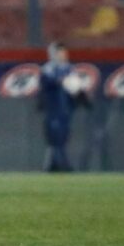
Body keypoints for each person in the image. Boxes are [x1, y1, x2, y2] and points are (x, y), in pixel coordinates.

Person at [38, 42, 91, 172]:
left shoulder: (69, 69)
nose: (63, 55)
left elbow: (75, 89)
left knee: (63, 136)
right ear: (54, 54)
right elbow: (46, 84)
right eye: (60, 52)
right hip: (54, 108)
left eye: (64, 52)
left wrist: (82, 97)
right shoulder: (48, 69)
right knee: (56, 136)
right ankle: (62, 164)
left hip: (66, 108)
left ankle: (53, 164)